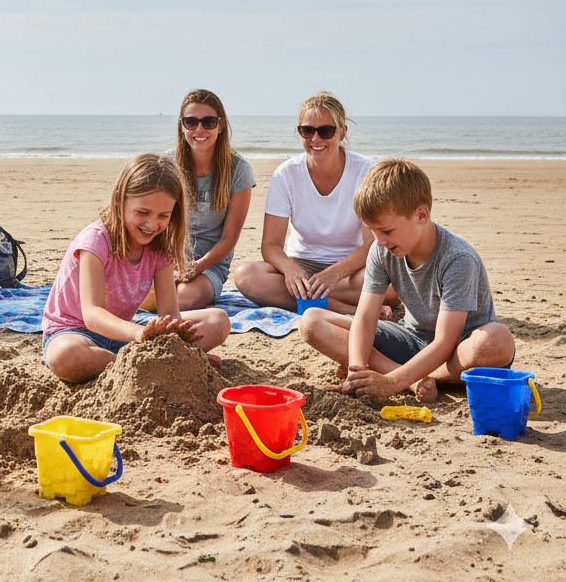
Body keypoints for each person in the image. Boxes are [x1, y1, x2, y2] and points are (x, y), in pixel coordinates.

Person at [299, 159, 515, 403]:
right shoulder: (381, 250)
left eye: (387, 231)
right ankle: (410, 380)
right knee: (312, 321)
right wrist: (356, 370)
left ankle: (406, 376)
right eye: (372, 231)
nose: (378, 240)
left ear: (421, 215)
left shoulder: (457, 258)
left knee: (497, 341)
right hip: (410, 341)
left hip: (458, 351)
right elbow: (366, 317)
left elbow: (446, 341)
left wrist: (392, 382)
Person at [42, 152, 232, 383]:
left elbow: (170, 314)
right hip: (77, 334)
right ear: (120, 201)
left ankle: (154, 363)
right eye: (143, 213)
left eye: (164, 215)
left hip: (131, 335)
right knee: (65, 358)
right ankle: (151, 365)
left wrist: (183, 347)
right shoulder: (95, 241)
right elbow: (92, 316)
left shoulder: (160, 248)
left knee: (218, 321)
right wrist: (139, 334)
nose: (152, 224)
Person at [234, 91, 389, 314]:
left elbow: (371, 244)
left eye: (326, 130)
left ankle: (312, 300)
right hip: (302, 265)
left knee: (392, 285)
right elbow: (270, 245)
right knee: (245, 276)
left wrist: (334, 274)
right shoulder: (286, 174)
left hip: (351, 270)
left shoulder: (366, 171)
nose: (315, 139)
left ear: (342, 132)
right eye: (307, 130)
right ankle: (349, 310)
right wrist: (289, 269)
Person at [172, 89, 255, 310]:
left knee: (182, 300)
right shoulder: (168, 165)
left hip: (209, 266)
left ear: (220, 125)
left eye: (208, 122)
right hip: (166, 260)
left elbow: (229, 238)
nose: (199, 129)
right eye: (191, 122)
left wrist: (196, 267)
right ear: (182, 126)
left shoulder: (239, 170)